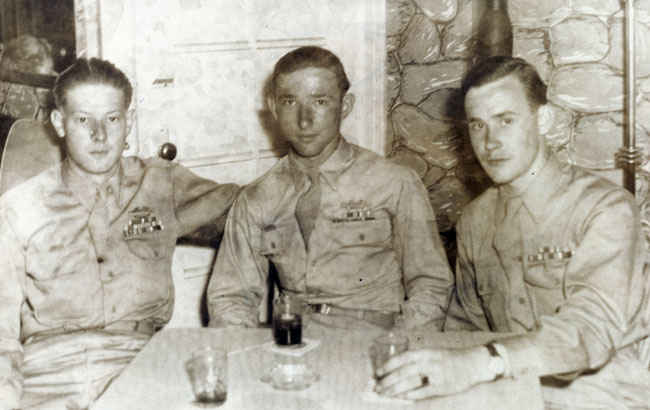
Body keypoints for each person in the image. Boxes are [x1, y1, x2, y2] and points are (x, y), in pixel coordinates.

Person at [375, 56, 650, 409]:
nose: (490, 141)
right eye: (478, 125)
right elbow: (465, 328)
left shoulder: (605, 208)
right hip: (514, 393)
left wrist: (481, 362)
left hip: (609, 396)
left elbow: (590, 331)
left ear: (544, 120)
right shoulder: (476, 220)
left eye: (506, 120)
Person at [0, 57, 239, 410]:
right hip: (48, 372)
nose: (100, 135)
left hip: (141, 362)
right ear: (59, 123)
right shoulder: (18, 207)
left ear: (129, 122)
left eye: (112, 119)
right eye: (83, 120)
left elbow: (247, 203)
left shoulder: (161, 182)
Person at [207, 46, 453, 331]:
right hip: (292, 342)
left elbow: (431, 284)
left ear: (345, 106)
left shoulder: (393, 182)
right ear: (274, 108)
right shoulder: (257, 198)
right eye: (289, 102)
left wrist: (398, 348)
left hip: (374, 342)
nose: (304, 120)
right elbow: (230, 297)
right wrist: (244, 356)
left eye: (320, 101)